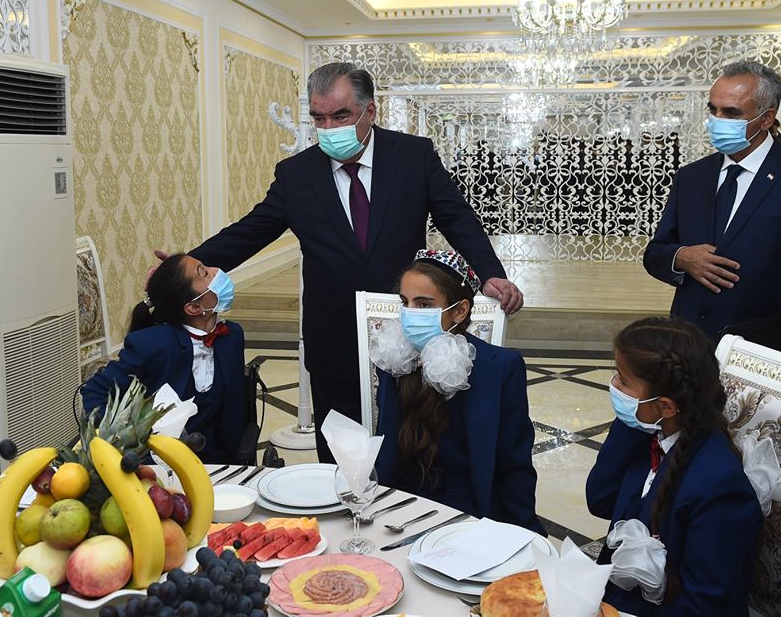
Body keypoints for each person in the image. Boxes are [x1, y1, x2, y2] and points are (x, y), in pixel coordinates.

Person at [187, 62, 522, 463]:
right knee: (341, 455)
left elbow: (457, 219)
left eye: (341, 116)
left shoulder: (413, 156)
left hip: (406, 331)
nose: (329, 128)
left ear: (370, 111)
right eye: (319, 118)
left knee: (409, 446)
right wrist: (187, 264)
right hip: (333, 336)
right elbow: (252, 230)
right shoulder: (297, 174)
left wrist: (490, 273)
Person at [643, 60, 781, 368]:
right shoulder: (691, 177)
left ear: (767, 118)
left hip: (762, 356)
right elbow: (655, 252)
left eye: (732, 112)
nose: (717, 120)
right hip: (690, 352)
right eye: (713, 109)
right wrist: (681, 257)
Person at [586, 317, 761, 615]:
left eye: (623, 381)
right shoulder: (651, 432)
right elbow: (600, 500)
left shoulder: (720, 486)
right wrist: (630, 419)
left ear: (666, 406)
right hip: (617, 600)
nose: (614, 386)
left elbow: (707, 603)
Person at [371, 250, 544, 534]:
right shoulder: (395, 360)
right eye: (405, 302)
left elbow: (515, 462)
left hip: (470, 504)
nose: (409, 313)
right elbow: (386, 448)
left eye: (423, 304)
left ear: (460, 311)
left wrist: (523, 531)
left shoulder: (500, 367)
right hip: (403, 501)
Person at [81, 254, 245, 463]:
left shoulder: (232, 336)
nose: (216, 271)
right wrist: (123, 442)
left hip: (216, 459)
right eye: (204, 272)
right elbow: (95, 391)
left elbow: (234, 407)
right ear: (193, 307)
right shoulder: (152, 344)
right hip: (158, 462)